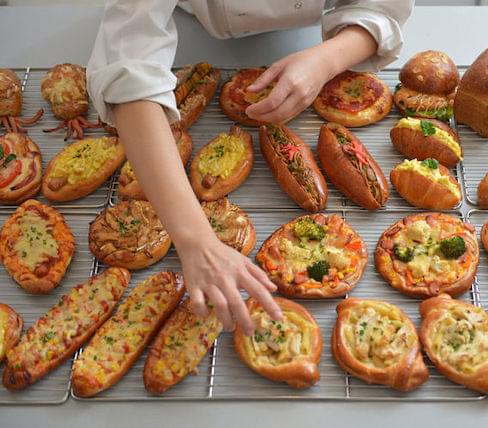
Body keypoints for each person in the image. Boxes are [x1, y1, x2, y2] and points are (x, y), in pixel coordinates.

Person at [87, 0, 413, 336]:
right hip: (188, 33)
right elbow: (128, 69)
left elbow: (383, 7)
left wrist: (326, 60)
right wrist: (196, 240)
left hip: (318, 41)